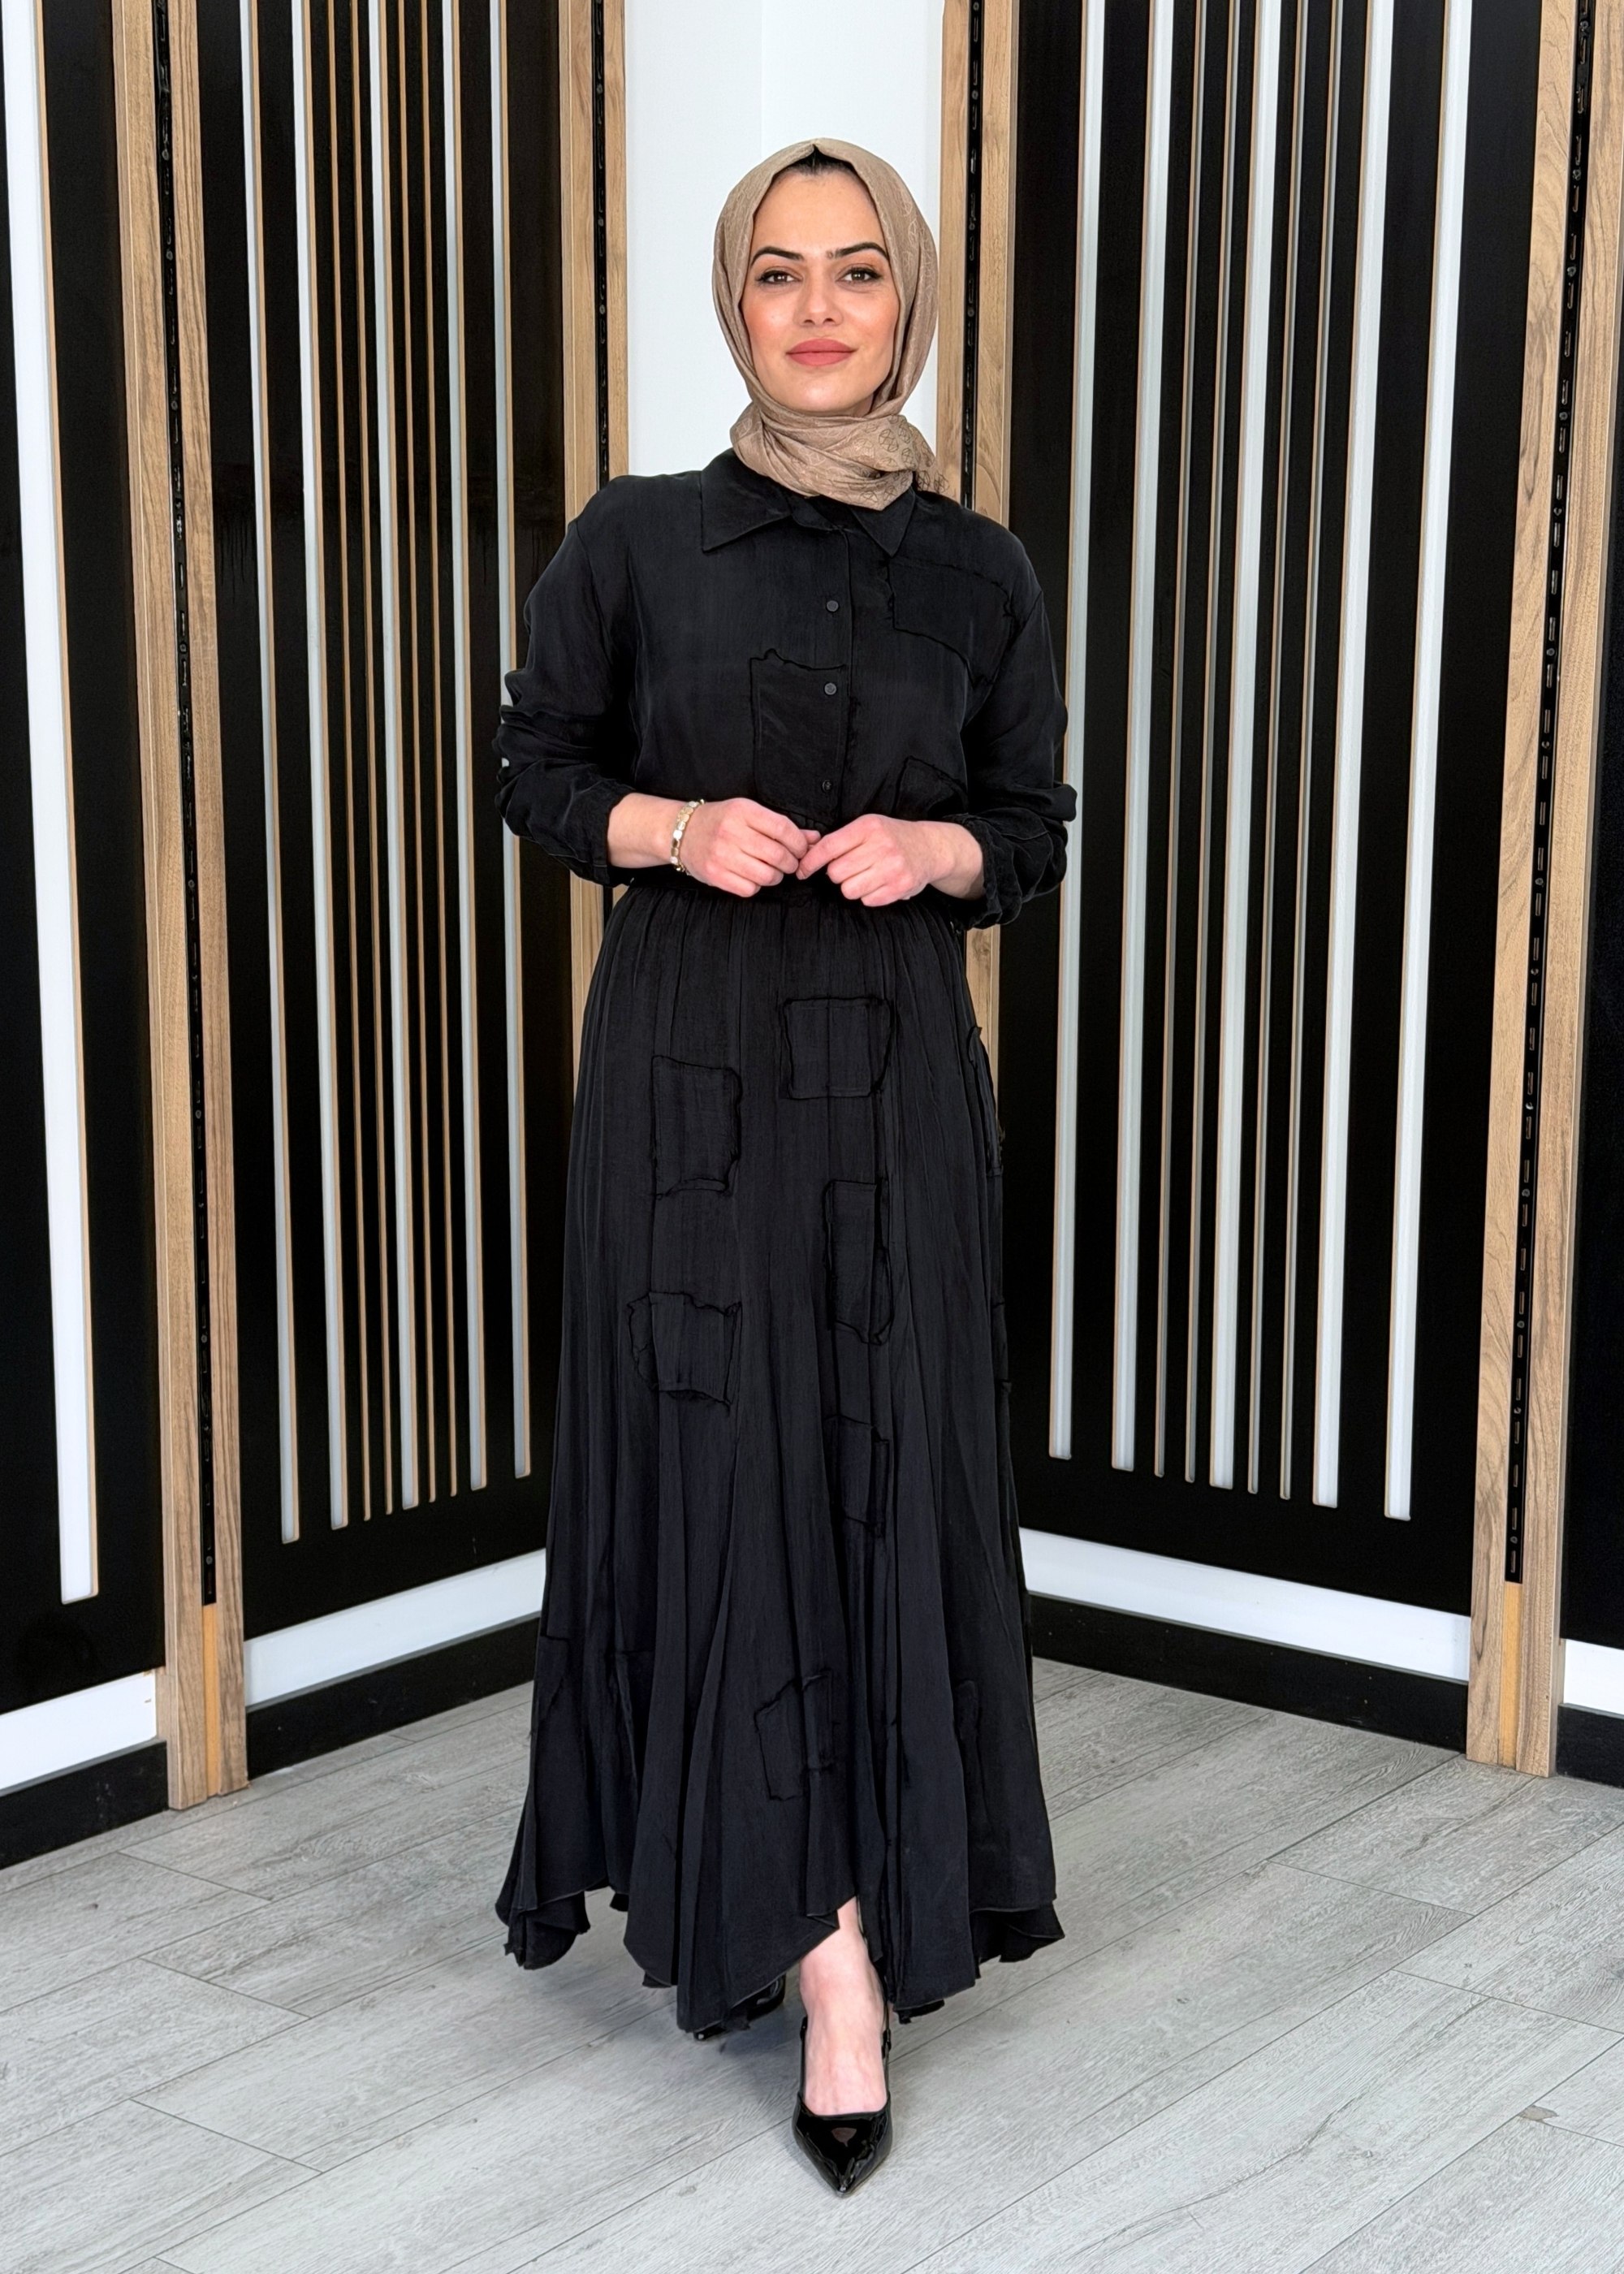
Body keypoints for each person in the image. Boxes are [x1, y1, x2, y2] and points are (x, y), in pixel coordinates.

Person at [493, 136, 1073, 2197]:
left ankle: (871, 1894)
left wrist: (947, 848)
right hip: (690, 1084)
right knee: (726, 1467)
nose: (817, 308)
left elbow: (1036, 817)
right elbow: (532, 765)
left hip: (895, 1086)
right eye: (775, 271)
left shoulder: (981, 568)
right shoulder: (637, 536)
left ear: (907, 300)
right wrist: (666, 826)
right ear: (731, 303)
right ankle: (823, 1953)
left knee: (877, 1468)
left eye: (855, 271)